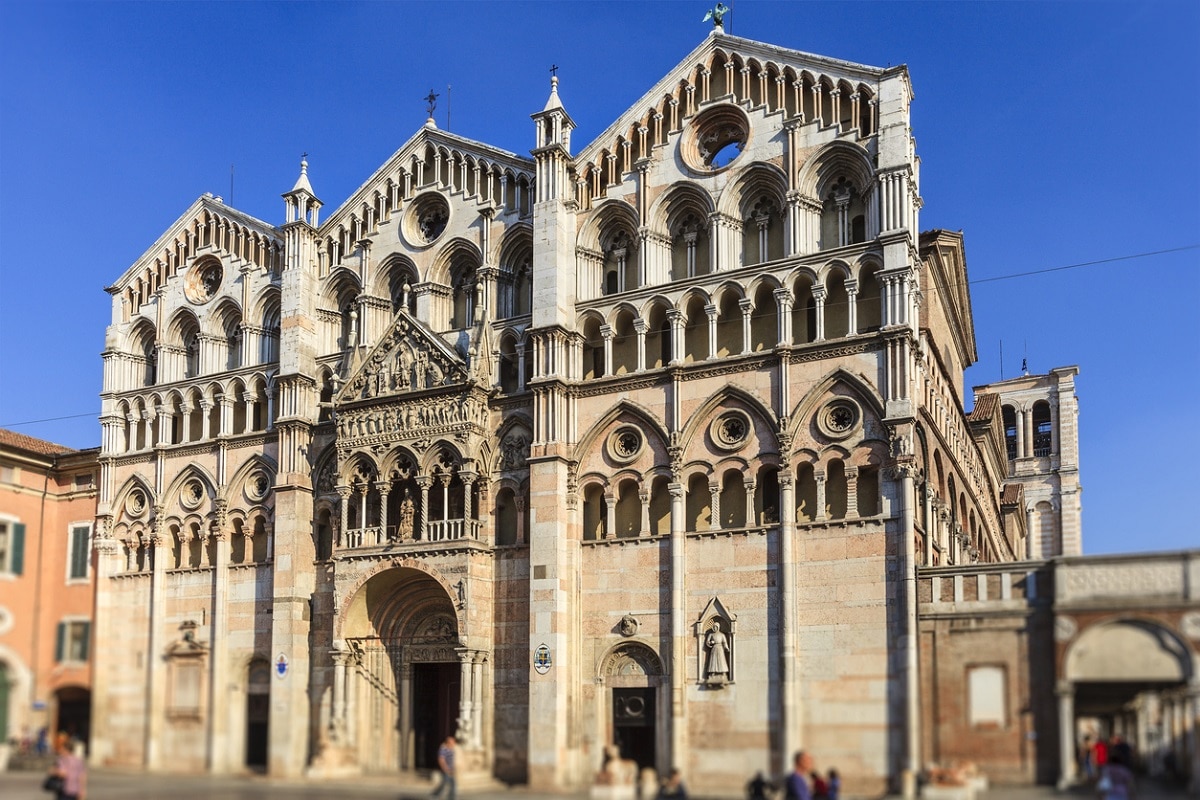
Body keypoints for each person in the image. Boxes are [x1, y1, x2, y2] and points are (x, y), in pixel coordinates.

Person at [49, 732, 86, 800]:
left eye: (62, 749)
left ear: (66, 750)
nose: (60, 750)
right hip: (75, 791)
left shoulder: (62, 760)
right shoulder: (78, 761)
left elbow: (63, 774)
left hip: (64, 790)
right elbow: (82, 776)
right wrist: (82, 790)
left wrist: (53, 771)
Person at [431, 735, 456, 800]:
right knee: (446, 784)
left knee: (451, 784)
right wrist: (445, 768)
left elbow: (452, 760)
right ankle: (436, 794)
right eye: (452, 742)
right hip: (446, 770)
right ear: (448, 742)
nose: (454, 743)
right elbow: (441, 759)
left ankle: (450, 797)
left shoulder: (451, 749)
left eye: (454, 742)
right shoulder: (443, 749)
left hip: (451, 770)